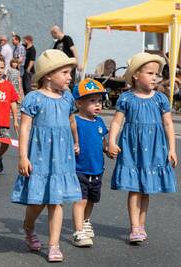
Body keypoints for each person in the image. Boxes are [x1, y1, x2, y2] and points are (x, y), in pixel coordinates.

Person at [11, 49, 81, 262]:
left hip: (62, 156)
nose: (70, 77)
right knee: (37, 202)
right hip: (40, 155)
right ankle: (29, 226)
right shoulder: (34, 98)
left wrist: (76, 141)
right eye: (66, 72)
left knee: (56, 200)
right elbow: (24, 129)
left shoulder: (67, 97)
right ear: (49, 74)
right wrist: (23, 156)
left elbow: (71, 122)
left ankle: (53, 245)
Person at [108, 52, 177, 244]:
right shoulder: (126, 98)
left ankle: (141, 225)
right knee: (134, 188)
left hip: (155, 148)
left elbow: (168, 125)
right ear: (136, 75)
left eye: (157, 74)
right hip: (132, 147)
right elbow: (116, 123)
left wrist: (172, 149)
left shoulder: (160, 99)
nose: (155, 77)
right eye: (150, 73)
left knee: (147, 188)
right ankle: (134, 226)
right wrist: (112, 141)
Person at [71, 79, 108, 247]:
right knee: (81, 200)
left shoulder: (100, 122)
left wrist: (109, 148)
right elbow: (68, 140)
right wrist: (72, 146)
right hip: (79, 169)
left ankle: (85, 221)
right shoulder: (75, 122)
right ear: (79, 103)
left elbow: (103, 141)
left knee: (92, 199)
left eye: (99, 100)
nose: (97, 104)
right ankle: (78, 232)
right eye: (92, 101)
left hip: (97, 169)